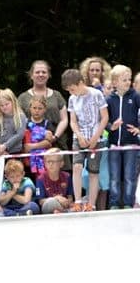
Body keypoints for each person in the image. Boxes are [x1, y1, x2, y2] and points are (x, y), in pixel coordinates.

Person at [62, 68, 108, 211]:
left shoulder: (97, 94)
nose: (71, 92)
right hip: (79, 137)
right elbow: (73, 121)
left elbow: (105, 117)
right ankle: (78, 201)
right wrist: (79, 136)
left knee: (94, 171)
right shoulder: (72, 99)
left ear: (81, 83)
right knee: (76, 166)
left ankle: (91, 204)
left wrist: (95, 137)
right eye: (69, 90)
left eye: (73, 89)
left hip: (96, 137)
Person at [17, 61, 70, 168]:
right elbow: (20, 122)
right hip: (31, 147)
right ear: (31, 75)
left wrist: (54, 137)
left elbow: (64, 119)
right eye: (37, 72)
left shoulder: (57, 95)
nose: (41, 74)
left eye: (44, 72)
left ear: (48, 75)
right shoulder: (23, 98)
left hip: (56, 143)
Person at [105, 64, 140, 209]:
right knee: (114, 176)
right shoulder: (109, 99)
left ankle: (128, 203)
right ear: (114, 82)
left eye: (129, 79)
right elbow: (104, 120)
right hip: (114, 144)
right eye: (124, 80)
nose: (128, 82)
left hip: (131, 144)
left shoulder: (136, 96)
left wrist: (139, 129)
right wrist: (111, 127)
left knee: (129, 176)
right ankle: (113, 203)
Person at [22, 95, 56, 178]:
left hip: (44, 161)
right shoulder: (25, 123)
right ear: (30, 108)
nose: (37, 111)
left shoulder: (47, 124)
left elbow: (48, 143)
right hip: (28, 161)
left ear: (44, 109)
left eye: (40, 108)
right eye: (34, 108)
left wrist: (32, 146)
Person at [0, 88, 27, 156]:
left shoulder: (20, 117)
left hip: (15, 153)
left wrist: (5, 146)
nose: (4, 107)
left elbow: (19, 135)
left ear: (13, 102)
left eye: (7, 104)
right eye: (1, 105)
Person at [35, 149, 74, 214]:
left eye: (53, 161)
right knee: (51, 202)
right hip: (48, 205)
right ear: (44, 163)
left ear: (61, 163)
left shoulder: (67, 176)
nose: (50, 164)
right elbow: (41, 201)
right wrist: (57, 198)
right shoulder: (40, 179)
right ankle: (62, 211)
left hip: (64, 205)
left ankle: (62, 211)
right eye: (48, 161)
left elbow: (70, 197)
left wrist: (67, 202)